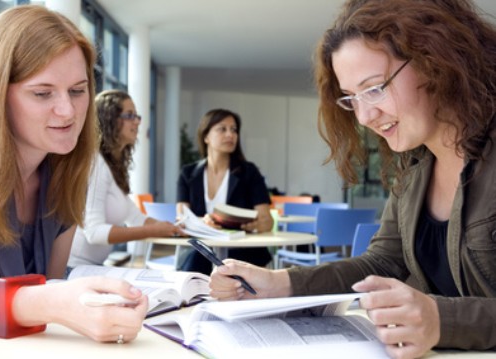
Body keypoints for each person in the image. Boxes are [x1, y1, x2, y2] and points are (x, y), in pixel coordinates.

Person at [209, 0, 496, 357]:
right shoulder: (415, 167)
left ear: (436, 62)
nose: (364, 117)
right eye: (351, 99)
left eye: (375, 88)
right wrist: (277, 283)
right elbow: (381, 262)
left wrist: (442, 320)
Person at [0, 5, 148, 343]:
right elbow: (46, 299)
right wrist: (48, 302)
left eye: (77, 90)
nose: (68, 111)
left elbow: (50, 294)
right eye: (42, 93)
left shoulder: (68, 166)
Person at [68, 89, 184, 268]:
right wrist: (151, 231)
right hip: (75, 269)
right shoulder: (95, 163)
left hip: (93, 267)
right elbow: (94, 232)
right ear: (108, 120)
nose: (137, 122)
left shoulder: (111, 166)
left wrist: (172, 228)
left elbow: (135, 217)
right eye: (130, 115)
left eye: (137, 116)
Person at [177, 108, 273, 274]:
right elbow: (182, 219)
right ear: (206, 136)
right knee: (190, 284)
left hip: (243, 253)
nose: (230, 135)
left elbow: (267, 221)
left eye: (234, 130)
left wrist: (254, 225)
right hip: (201, 252)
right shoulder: (188, 174)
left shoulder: (249, 172)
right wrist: (202, 223)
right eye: (222, 129)